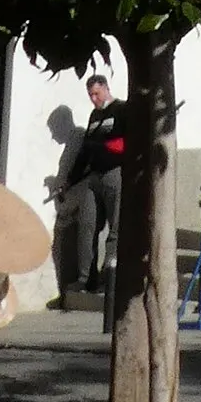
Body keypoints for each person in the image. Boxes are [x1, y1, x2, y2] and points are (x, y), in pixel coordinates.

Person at [53, 71, 129, 299]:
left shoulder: (122, 110)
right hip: (93, 177)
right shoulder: (94, 117)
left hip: (115, 173)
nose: (94, 99)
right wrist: (70, 179)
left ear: (106, 88)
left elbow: (125, 143)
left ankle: (111, 277)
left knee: (115, 229)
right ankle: (86, 278)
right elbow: (85, 151)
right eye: (90, 95)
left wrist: (105, 147)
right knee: (87, 226)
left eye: (96, 93)